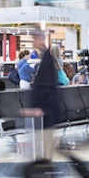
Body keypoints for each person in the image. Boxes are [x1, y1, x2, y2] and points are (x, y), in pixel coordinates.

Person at [25, 33, 65, 161]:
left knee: (45, 147)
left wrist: (39, 107)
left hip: (46, 112)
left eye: (34, 38)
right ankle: (44, 168)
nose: (33, 42)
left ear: (40, 39)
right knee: (44, 146)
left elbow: (45, 86)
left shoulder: (47, 60)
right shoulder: (47, 59)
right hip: (47, 111)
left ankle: (44, 170)